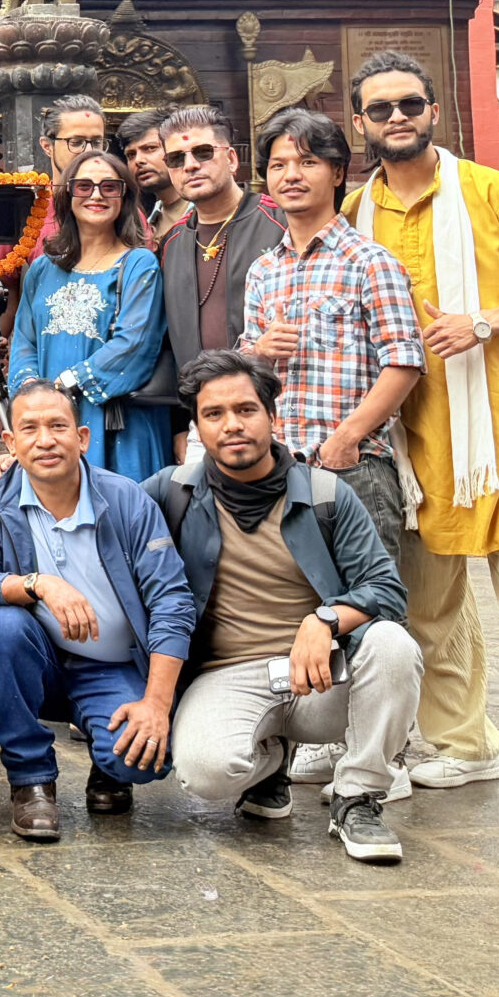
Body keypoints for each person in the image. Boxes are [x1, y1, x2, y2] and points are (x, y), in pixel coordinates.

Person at [345, 50, 499, 829]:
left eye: (409, 104)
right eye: (380, 108)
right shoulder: (354, 212)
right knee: (431, 609)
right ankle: (465, 743)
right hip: (411, 443)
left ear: (433, 111)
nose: (396, 117)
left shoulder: (494, 193)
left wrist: (483, 322)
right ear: (359, 123)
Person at [154, 351, 422, 862]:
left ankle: (357, 797)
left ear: (272, 416)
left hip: (320, 676)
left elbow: (386, 588)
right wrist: (11, 466)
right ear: (198, 428)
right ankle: (271, 763)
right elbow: (97, 503)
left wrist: (325, 620)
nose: (232, 425)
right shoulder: (173, 493)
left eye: (245, 410)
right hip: (227, 674)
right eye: (214, 414)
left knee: (392, 645)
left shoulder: (325, 494)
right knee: (204, 775)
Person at [0, 379, 193, 841]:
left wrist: (155, 703)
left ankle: (106, 762)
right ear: (10, 442)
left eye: (58, 426)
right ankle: (31, 780)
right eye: (29, 429)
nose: (45, 440)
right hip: (37, 661)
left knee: (142, 761)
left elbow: (172, 599)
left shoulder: (126, 499)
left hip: (112, 665)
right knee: (2, 628)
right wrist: (39, 584)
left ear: (82, 437)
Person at [239, 108, 423, 558]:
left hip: (352, 468)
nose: (291, 175)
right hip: (276, 468)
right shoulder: (263, 270)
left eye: (308, 162)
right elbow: (244, 369)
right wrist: (260, 349)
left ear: (337, 172)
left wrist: (346, 438)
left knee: (367, 596)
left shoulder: (370, 262)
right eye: (278, 165)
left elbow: (404, 363)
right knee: (288, 596)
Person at [6, 150, 170, 480]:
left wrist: (66, 384)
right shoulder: (42, 268)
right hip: (50, 424)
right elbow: (24, 341)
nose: (96, 195)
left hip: (117, 424)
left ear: (124, 197)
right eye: (84, 186)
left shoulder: (138, 264)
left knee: (122, 507)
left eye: (109, 187)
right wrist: (34, 394)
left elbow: (134, 344)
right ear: (68, 196)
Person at [154, 105, 283, 376]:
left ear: (232, 159)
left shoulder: (281, 223)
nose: (190, 165)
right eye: (176, 159)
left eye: (203, 152)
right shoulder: (171, 243)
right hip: (197, 395)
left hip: (270, 391)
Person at [117, 108, 188, 238]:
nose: (138, 160)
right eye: (131, 155)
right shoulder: (147, 226)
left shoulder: (206, 212)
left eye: (150, 148)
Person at [39, 94, 106, 185]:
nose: (89, 151)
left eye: (97, 143)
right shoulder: (29, 193)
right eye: (76, 142)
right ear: (47, 146)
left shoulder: (118, 193)